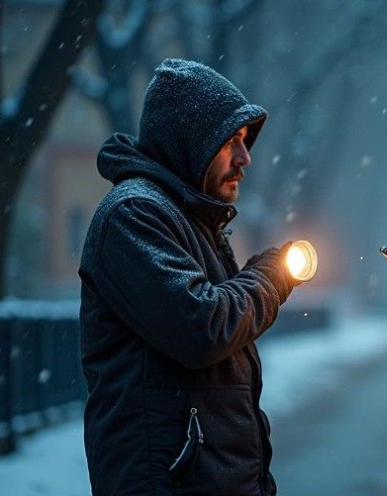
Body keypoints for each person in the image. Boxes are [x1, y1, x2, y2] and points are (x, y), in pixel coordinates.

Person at [79, 58, 299, 496]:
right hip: (169, 483)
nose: (245, 157)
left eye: (245, 140)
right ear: (188, 142)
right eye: (230, 141)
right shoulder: (134, 215)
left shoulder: (191, 220)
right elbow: (203, 327)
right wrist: (270, 278)